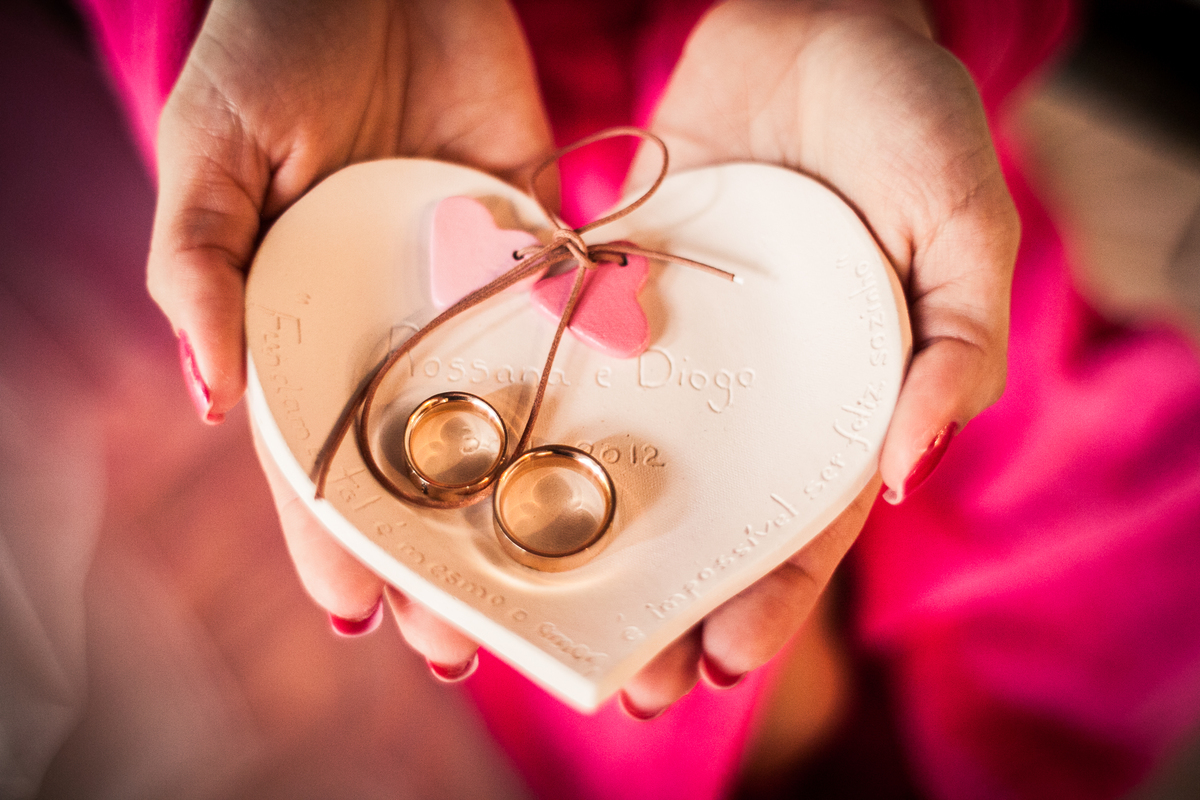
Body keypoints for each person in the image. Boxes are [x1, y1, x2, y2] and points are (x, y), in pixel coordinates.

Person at [74, 0, 1200, 797]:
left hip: (823, 249)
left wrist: (888, 12)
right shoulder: (375, 225)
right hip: (407, 231)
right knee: (655, 668)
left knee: (1103, 560)